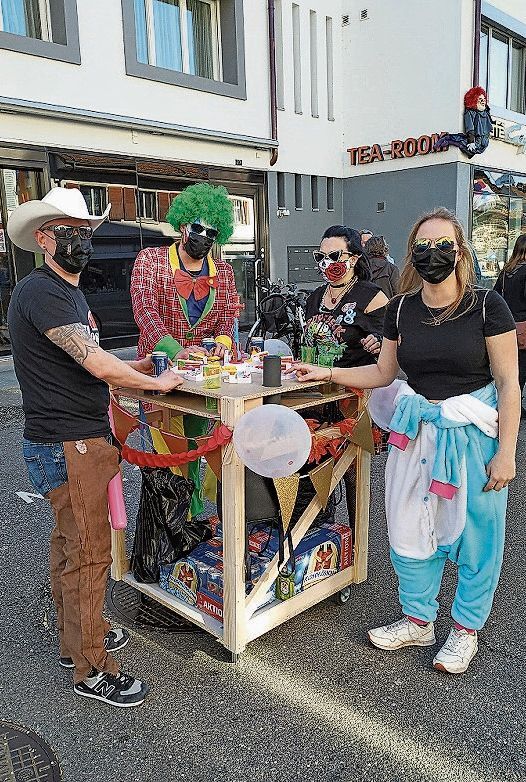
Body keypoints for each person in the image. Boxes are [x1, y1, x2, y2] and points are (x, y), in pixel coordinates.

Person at [291, 207, 520, 674]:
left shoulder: (486, 305)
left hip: (471, 437)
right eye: (423, 245)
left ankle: (465, 629)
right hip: (415, 437)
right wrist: (326, 372)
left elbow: (508, 384)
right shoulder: (400, 308)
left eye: (443, 245)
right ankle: (419, 619)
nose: (432, 253)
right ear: (412, 253)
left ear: (460, 253)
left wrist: (507, 453)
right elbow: (383, 372)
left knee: (477, 536)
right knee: (410, 528)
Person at [7, 187, 183, 708]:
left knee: (69, 545)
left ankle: (75, 642)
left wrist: (142, 366)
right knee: (88, 554)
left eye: (84, 232)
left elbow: (96, 355)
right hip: (70, 443)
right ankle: (92, 669)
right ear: (44, 239)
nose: (79, 241)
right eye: (68, 232)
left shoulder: (66, 292)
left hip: (73, 440)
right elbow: (96, 364)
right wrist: (157, 385)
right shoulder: (43, 291)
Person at [130, 183, 239, 517]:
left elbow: (229, 313)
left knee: (200, 450)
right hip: (160, 378)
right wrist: (177, 351)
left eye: (212, 232)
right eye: (198, 228)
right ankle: (167, 531)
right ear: (182, 225)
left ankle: (191, 524)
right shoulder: (151, 261)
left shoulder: (226, 272)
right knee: (164, 456)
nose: (204, 237)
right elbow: (144, 312)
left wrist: (222, 343)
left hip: (205, 383)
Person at [304, 225, 388, 527]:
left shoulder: (372, 296)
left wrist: (376, 341)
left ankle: (356, 541)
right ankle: (319, 532)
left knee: (351, 473)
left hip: (352, 397)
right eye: (320, 256)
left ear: (353, 257)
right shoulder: (314, 298)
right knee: (314, 463)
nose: (326, 263)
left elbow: (390, 343)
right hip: (315, 395)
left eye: (334, 255)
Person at [494, 234, 526, 412]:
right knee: (522, 366)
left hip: (508, 324)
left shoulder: (506, 270)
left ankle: (510, 401)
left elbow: (496, 294)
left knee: (512, 365)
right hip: (524, 325)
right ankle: (514, 405)